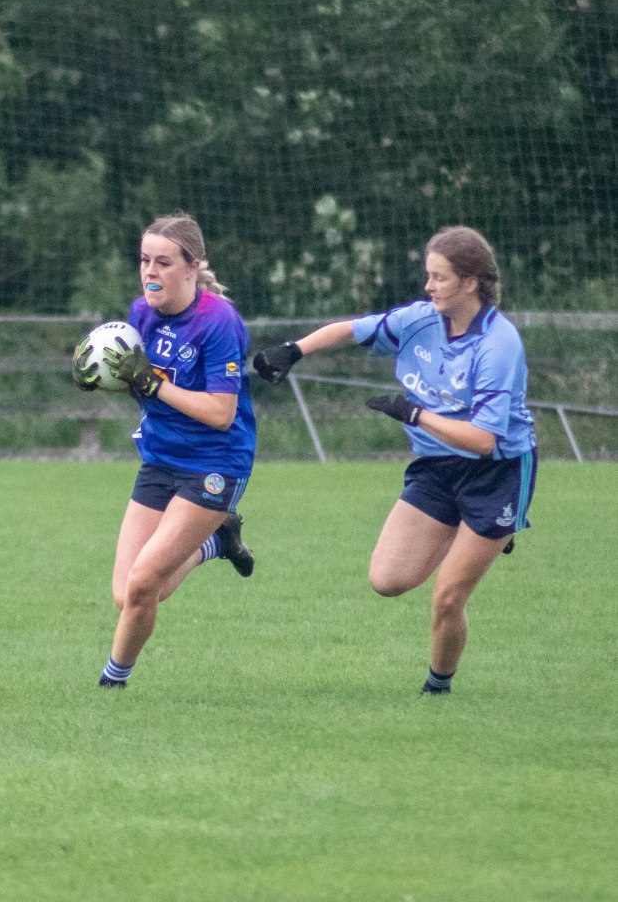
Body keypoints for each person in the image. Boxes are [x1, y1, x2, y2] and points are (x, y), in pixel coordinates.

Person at [253, 225, 536, 695]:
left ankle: (437, 689)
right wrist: (295, 350)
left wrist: (416, 414)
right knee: (386, 579)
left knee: (447, 597)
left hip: (497, 473)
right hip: (436, 467)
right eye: (428, 275)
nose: (428, 286)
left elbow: (484, 440)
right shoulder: (420, 320)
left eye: (439, 277)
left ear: (470, 283)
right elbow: (353, 329)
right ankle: (474, 533)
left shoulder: (498, 344)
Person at [72, 213, 257, 688]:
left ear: (193, 267)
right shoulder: (140, 314)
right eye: (144, 260)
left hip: (215, 464)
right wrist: (104, 378)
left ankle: (112, 682)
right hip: (159, 459)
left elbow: (220, 412)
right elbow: (141, 386)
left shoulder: (218, 323)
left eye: (163, 262)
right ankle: (217, 542)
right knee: (127, 593)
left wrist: (151, 381)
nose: (150, 271)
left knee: (143, 584)